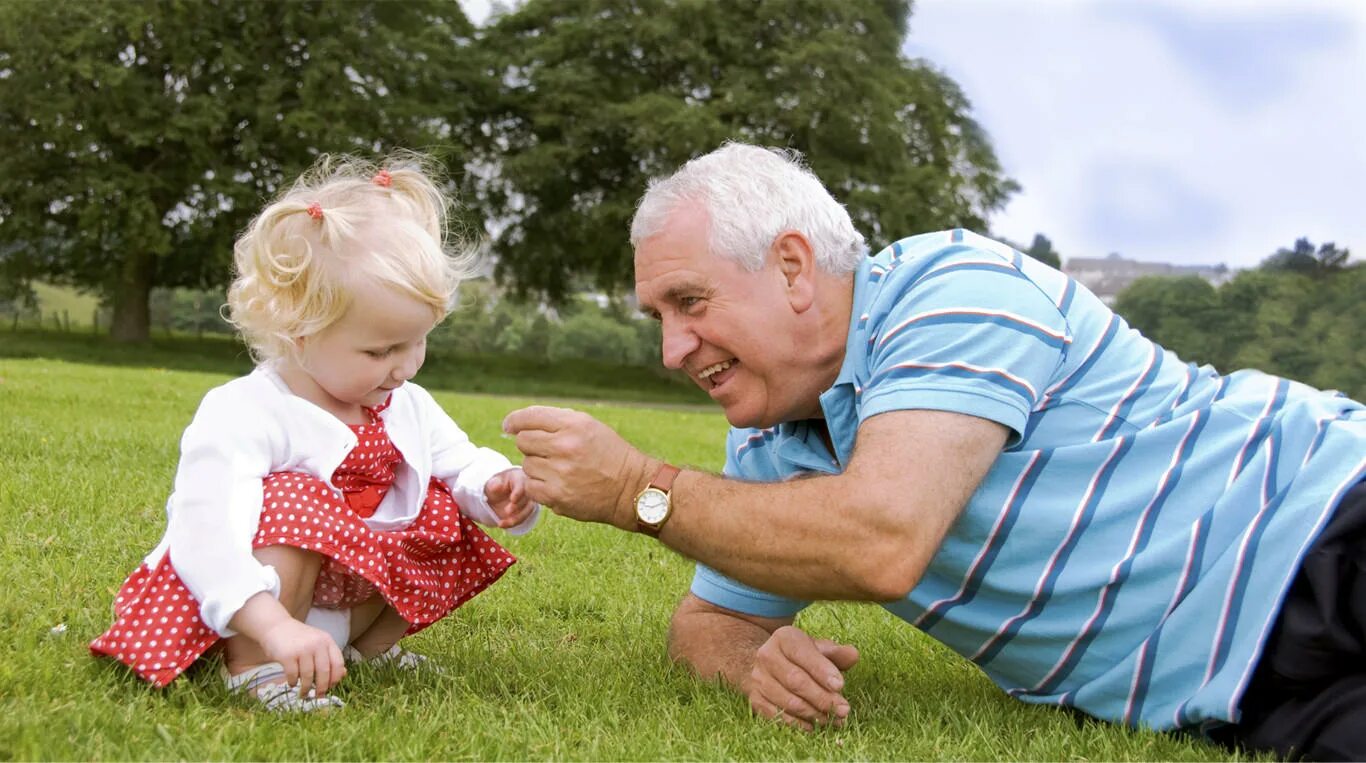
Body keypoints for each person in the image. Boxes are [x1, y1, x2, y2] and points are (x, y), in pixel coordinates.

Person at [503, 142, 1366, 759]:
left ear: (795, 267)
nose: (674, 348)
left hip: (1324, 522)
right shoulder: (772, 442)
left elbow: (883, 537)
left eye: (690, 302)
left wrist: (634, 491)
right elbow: (710, 621)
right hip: (1237, 690)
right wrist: (754, 664)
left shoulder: (951, 290)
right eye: (660, 318)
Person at [91, 153, 539, 712]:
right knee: (294, 498)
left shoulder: (403, 402)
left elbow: (456, 458)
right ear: (297, 332)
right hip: (252, 607)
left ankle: (361, 646)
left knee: (440, 503)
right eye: (379, 351)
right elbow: (203, 535)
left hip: (342, 595)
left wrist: (493, 484)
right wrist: (274, 627)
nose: (404, 367)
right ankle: (255, 667)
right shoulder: (247, 410)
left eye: (417, 342)